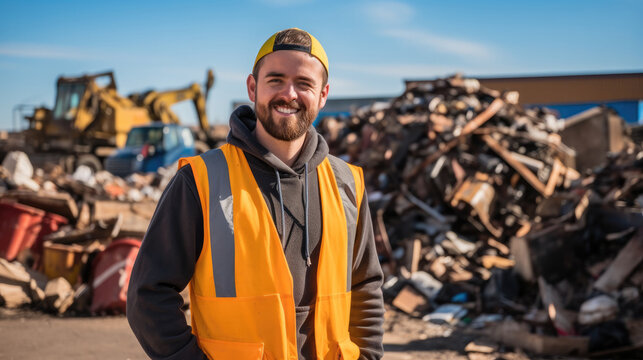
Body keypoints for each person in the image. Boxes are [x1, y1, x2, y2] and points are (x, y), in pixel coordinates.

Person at [127, 28, 384, 360]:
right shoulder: (201, 180)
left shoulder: (347, 183)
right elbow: (148, 295)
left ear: (323, 95)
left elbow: (366, 288)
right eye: (275, 80)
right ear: (252, 87)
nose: (289, 94)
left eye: (304, 83)